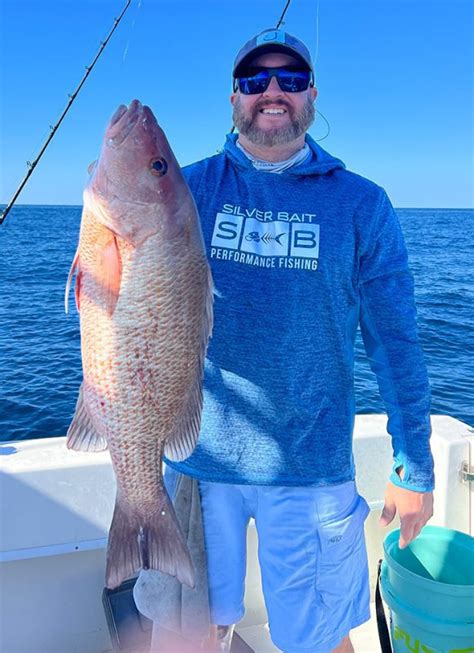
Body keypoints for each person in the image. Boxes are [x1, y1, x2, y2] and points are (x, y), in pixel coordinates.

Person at [163, 28, 435, 653]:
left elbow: (395, 340)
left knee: (318, 642)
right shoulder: (185, 189)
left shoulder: (362, 203)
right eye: (254, 81)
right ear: (234, 99)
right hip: (194, 460)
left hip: (312, 468)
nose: (272, 92)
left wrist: (413, 462)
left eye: (289, 78)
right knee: (181, 637)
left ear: (312, 94)